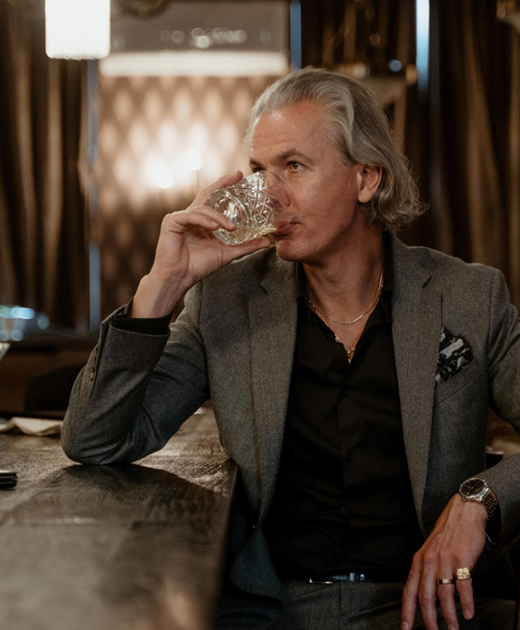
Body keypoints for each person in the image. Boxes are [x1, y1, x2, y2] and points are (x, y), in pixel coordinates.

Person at [62, 69, 520, 629]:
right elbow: (95, 439)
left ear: (366, 178)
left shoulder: (470, 296)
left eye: (294, 166)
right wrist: (161, 285)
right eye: (260, 170)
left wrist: (480, 500)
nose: (270, 193)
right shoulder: (225, 301)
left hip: (435, 607)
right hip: (272, 609)